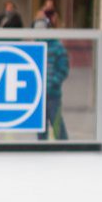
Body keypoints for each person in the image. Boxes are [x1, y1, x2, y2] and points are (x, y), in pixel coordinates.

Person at [33, 10, 70, 141]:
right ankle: (42, 148)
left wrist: (53, 82)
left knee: (57, 123)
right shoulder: (35, 46)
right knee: (40, 127)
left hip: (53, 94)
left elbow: (64, 68)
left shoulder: (57, 47)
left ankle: (65, 147)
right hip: (39, 94)